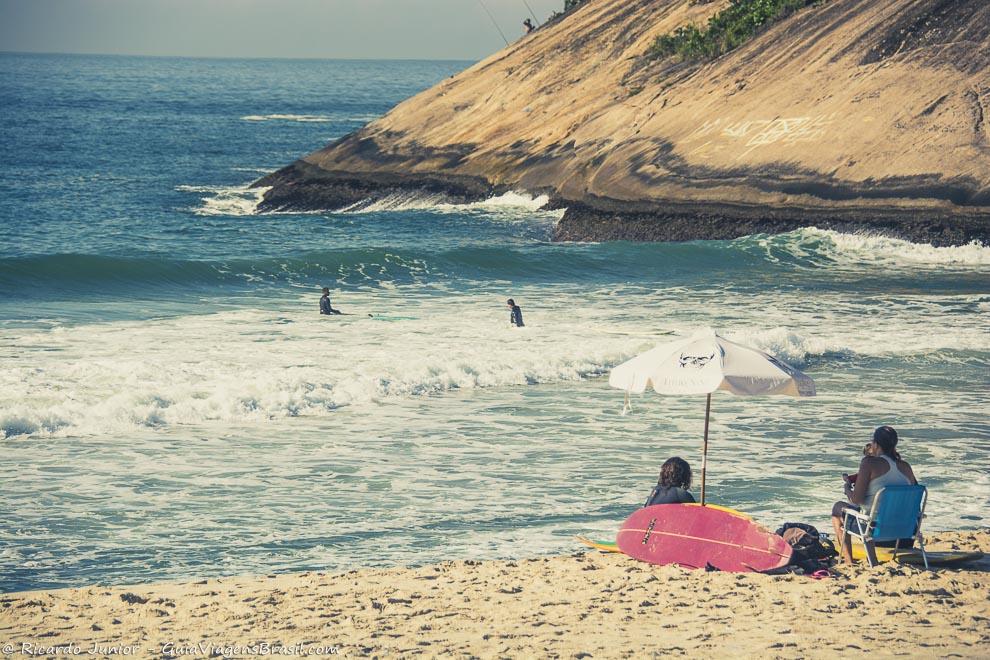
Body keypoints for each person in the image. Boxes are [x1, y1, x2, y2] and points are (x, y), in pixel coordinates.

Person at [830, 425, 918, 564]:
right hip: (905, 532)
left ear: (875, 444)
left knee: (837, 508)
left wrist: (847, 489)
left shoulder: (869, 463)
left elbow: (856, 500)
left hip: (876, 531)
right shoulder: (905, 466)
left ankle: (848, 562)